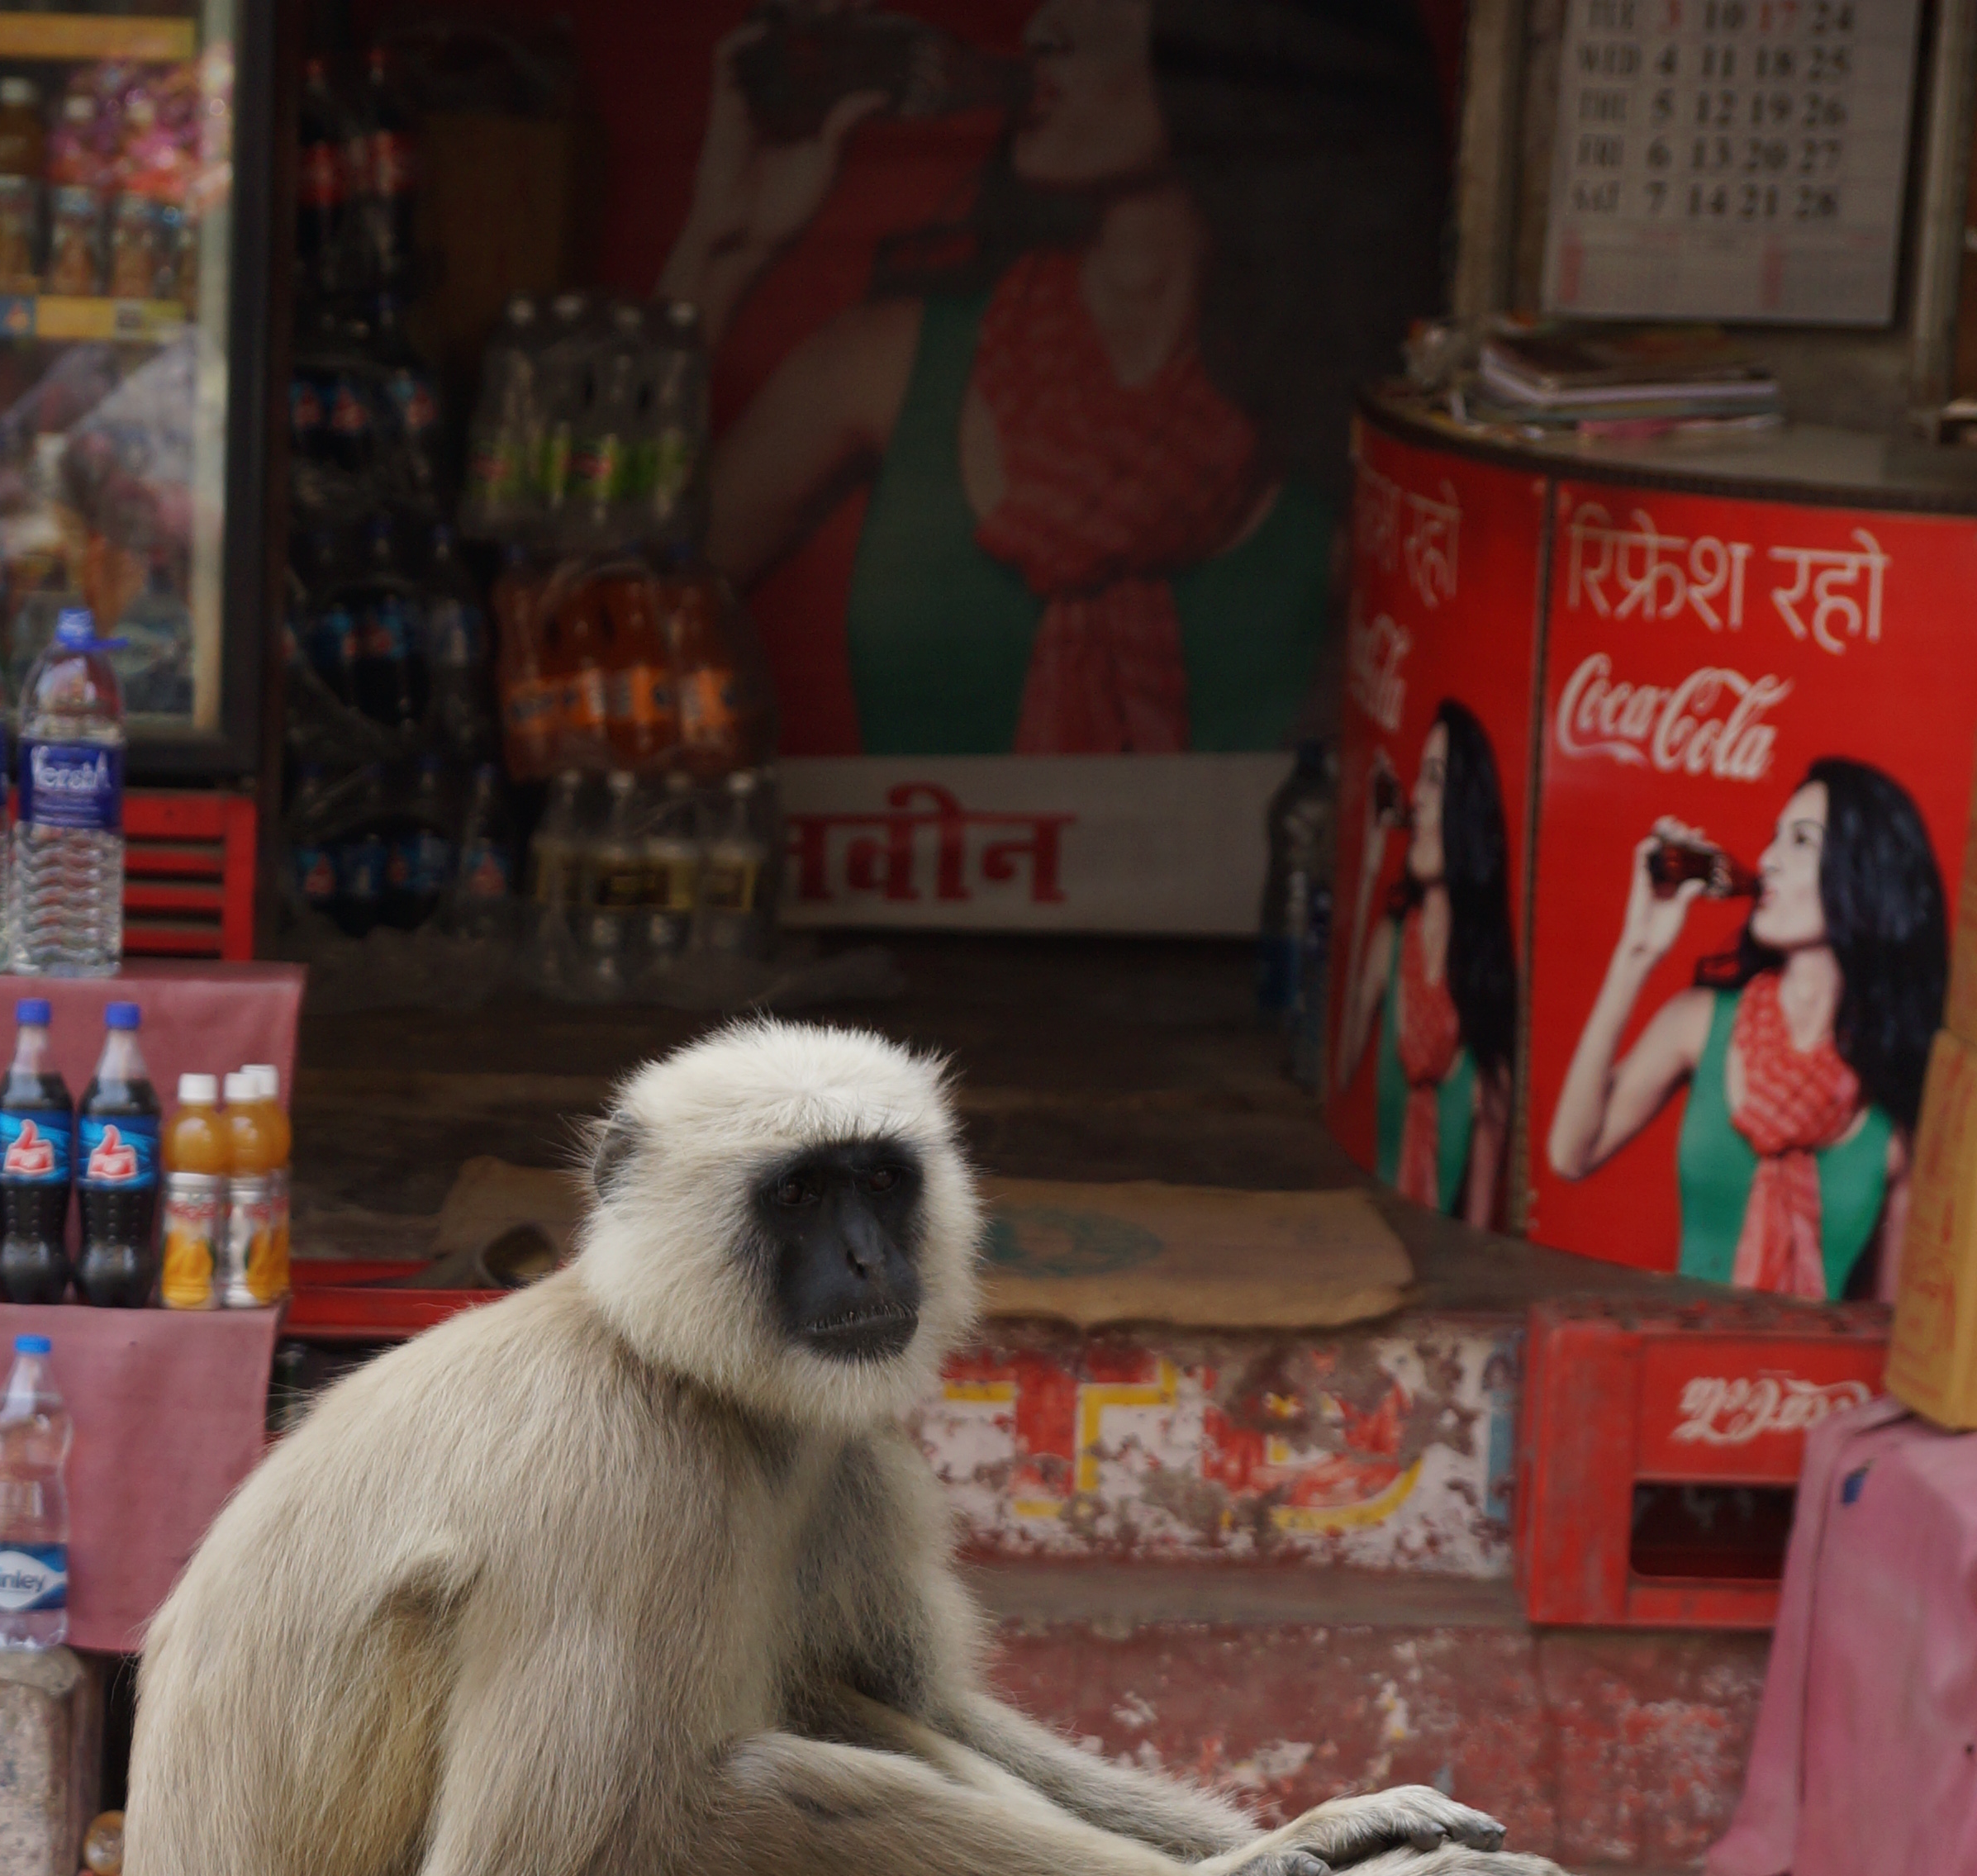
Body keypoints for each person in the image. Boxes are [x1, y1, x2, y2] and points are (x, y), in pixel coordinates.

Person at [660, 0, 1443, 758]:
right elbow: (607, 613)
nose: (1042, 30)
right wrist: (721, 249)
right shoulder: (885, 368)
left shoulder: (1338, 447)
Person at [1543, 758, 1949, 1300]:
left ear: (1866, 873)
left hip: (1808, 1383)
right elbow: (1571, 1153)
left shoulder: (1896, 1110)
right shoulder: (1699, 1023)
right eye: (1773, 839)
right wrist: (1635, 954)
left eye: (1800, 841)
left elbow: (1885, 1329)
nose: (1767, 861)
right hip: (1688, 1373)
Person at [1336, 699, 1516, 1226]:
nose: (1416, 798)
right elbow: (1344, 1063)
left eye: (1435, 781)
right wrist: (1369, 866)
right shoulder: (1391, 941)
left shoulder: (1485, 984)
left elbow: (1481, 1219)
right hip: (1373, 1236)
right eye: (1419, 780)